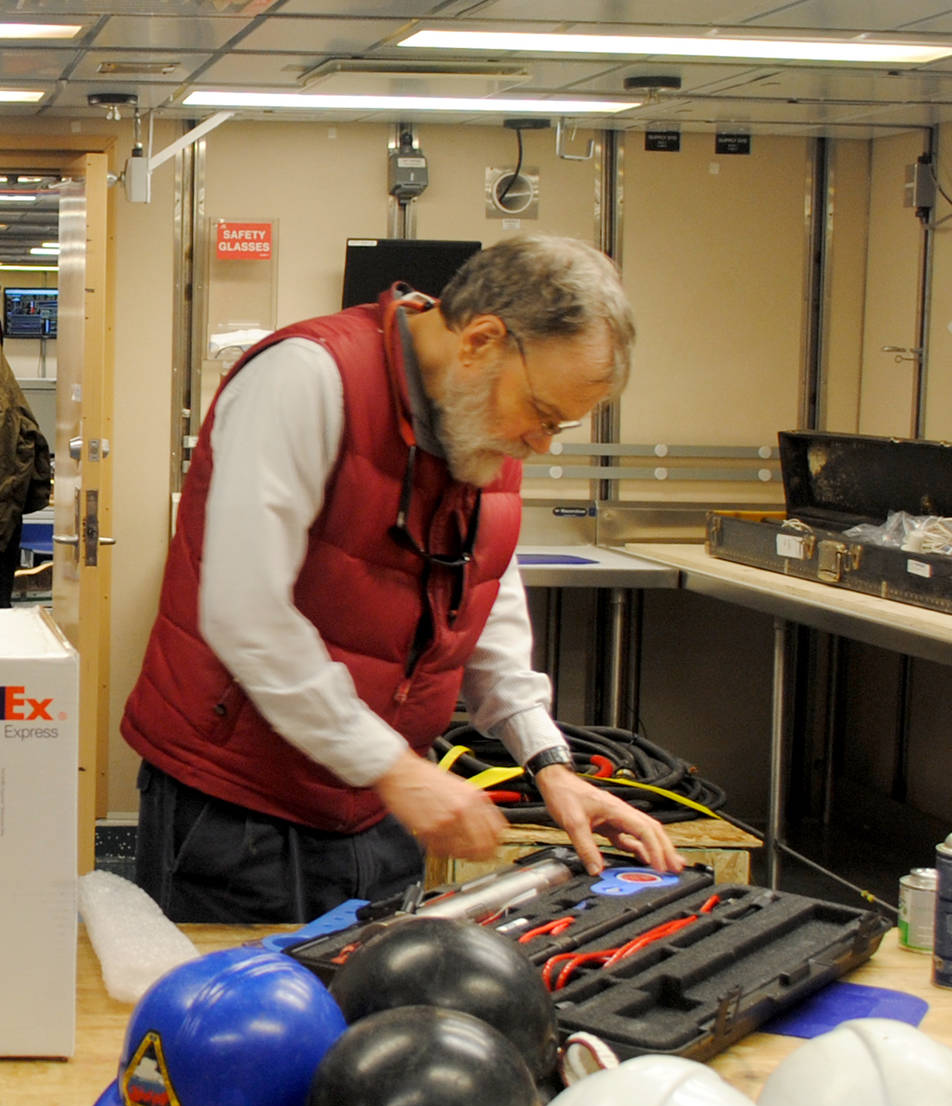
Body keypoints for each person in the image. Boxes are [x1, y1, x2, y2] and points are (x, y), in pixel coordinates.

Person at [121, 235, 683, 924]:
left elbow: (484, 601)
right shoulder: (306, 379)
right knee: (237, 1023)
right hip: (238, 806)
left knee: (376, 1007)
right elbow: (247, 614)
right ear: (480, 340)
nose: (542, 444)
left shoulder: (484, 421)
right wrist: (396, 768)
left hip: (381, 801)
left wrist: (549, 763)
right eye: (543, 415)